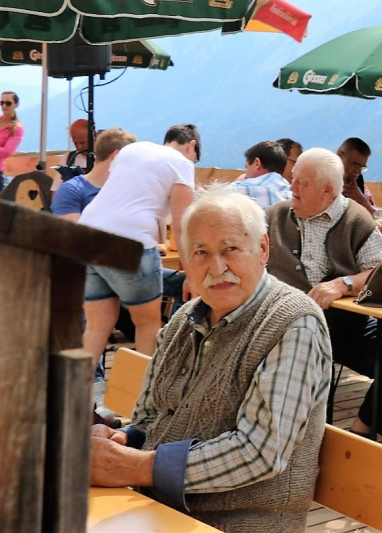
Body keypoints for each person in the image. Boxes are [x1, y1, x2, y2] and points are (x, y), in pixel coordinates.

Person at [89, 186, 332, 533]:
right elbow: (150, 416)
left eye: (230, 248)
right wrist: (123, 441)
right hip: (154, 510)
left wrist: (135, 467)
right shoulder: (185, 318)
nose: (216, 267)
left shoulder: (294, 322)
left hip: (237, 525)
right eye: (200, 252)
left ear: (262, 249)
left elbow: (259, 452)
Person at [265, 147, 382, 438]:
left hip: (345, 326)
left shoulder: (355, 219)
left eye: (302, 183)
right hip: (286, 328)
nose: (292, 187)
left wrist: (343, 284)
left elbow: (381, 269)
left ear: (327, 190)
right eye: (293, 178)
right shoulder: (273, 217)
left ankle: (362, 433)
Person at [79, 124, 199, 362]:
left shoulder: (133, 150)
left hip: (87, 235)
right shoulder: (183, 165)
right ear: (191, 146)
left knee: (96, 327)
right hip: (130, 243)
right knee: (147, 324)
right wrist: (192, 275)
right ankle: (141, 397)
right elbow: (180, 225)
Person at [51, 128, 137, 221]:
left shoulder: (127, 191)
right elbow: (71, 233)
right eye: (130, 159)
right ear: (116, 156)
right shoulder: (71, 190)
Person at [232, 140, 292, 209]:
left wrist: (236, 182)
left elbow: (220, 199)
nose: (246, 174)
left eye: (247, 167)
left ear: (257, 163)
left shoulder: (242, 189)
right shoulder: (292, 193)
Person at [337, 137, 376, 215]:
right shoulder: (323, 178)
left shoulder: (359, 183)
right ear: (340, 156)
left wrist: (363, 202)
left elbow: (375, 216)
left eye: (361, 167)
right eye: (354, 164)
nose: (357, 172)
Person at [0, 91, 24, 192]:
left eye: (8, 103)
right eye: (2, 102)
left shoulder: (17, 128)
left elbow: (6, 152)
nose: (4, 106)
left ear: (16, 104)